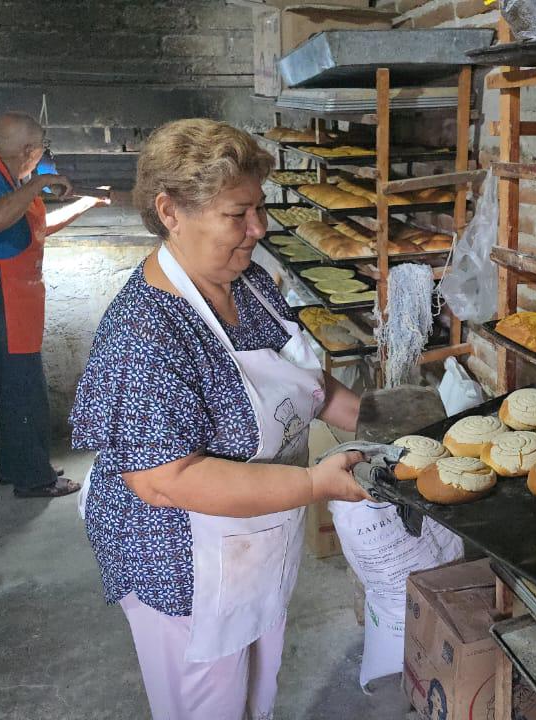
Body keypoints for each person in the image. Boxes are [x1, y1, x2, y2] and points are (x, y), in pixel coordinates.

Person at [69, 118, 369, 720]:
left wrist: (384, 426)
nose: (258, 229)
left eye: (258, 209)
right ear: (170, 210)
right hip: (184, 565)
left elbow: (307, 382)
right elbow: (164, 479)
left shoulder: (249, 282)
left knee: (257, 695)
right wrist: (314, 483)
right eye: (238, 215)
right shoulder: (146, 331)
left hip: (254, 540)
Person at [0, 111, 102, 498]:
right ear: (29, 150)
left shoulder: (7, 177)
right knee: (23, 388)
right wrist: (40, 182)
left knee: (17, 385)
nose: (42, 157)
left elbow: (35, 226)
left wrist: (85, 204)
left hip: (11, 297)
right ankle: (33, 479)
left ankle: (18, 466)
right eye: (41, 151)